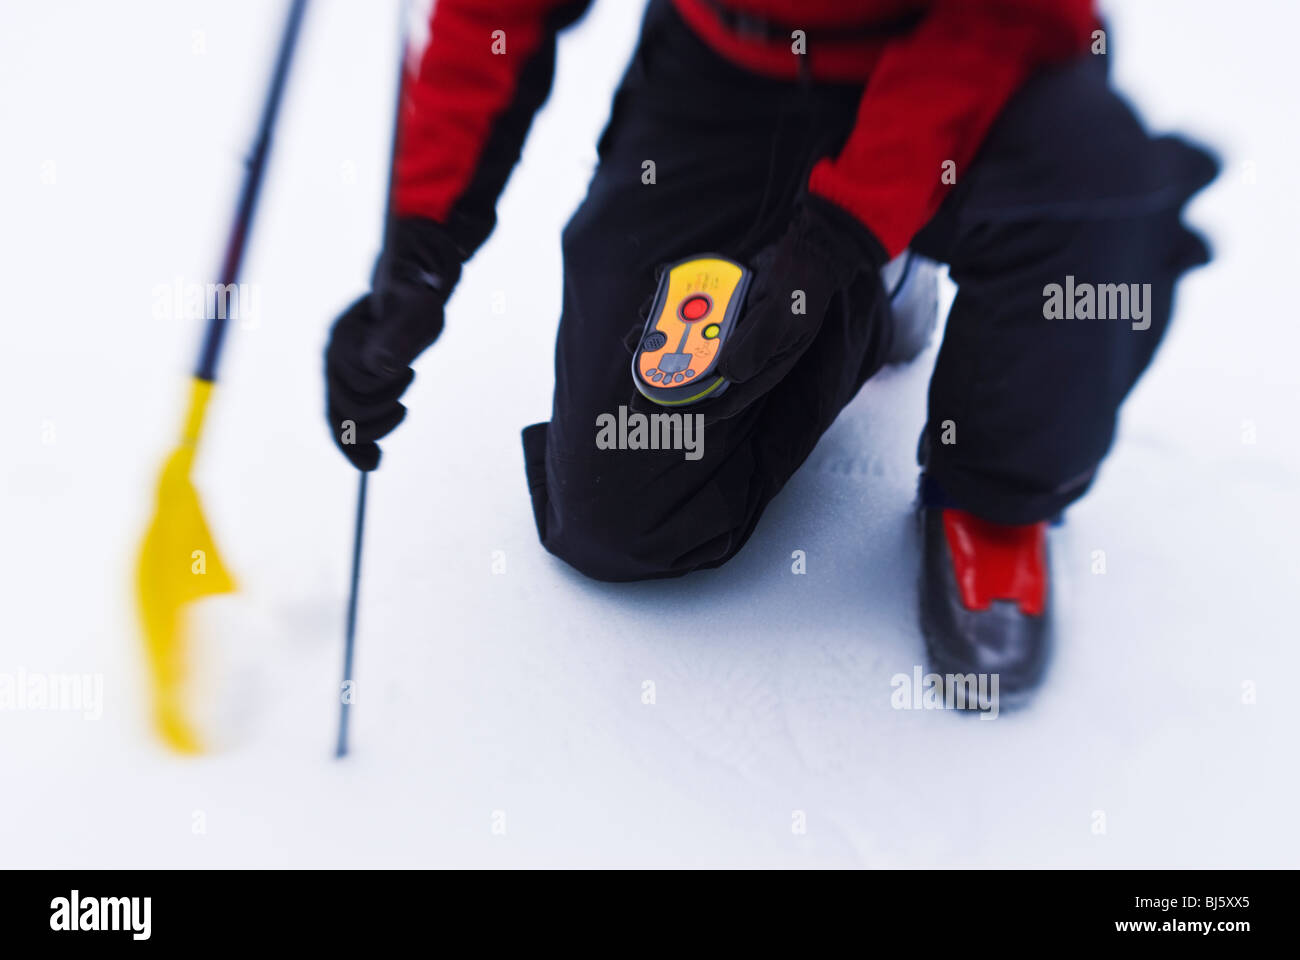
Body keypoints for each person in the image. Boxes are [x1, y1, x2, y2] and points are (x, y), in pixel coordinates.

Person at [324, 0, 1217, 703]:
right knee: (618, 508)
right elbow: (493, 14)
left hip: (963, 64)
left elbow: (1007, 17)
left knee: (1090, 192)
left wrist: (843, 229)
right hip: (722, 76)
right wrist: (422, 247)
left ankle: (994, 494)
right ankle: (874, 294)